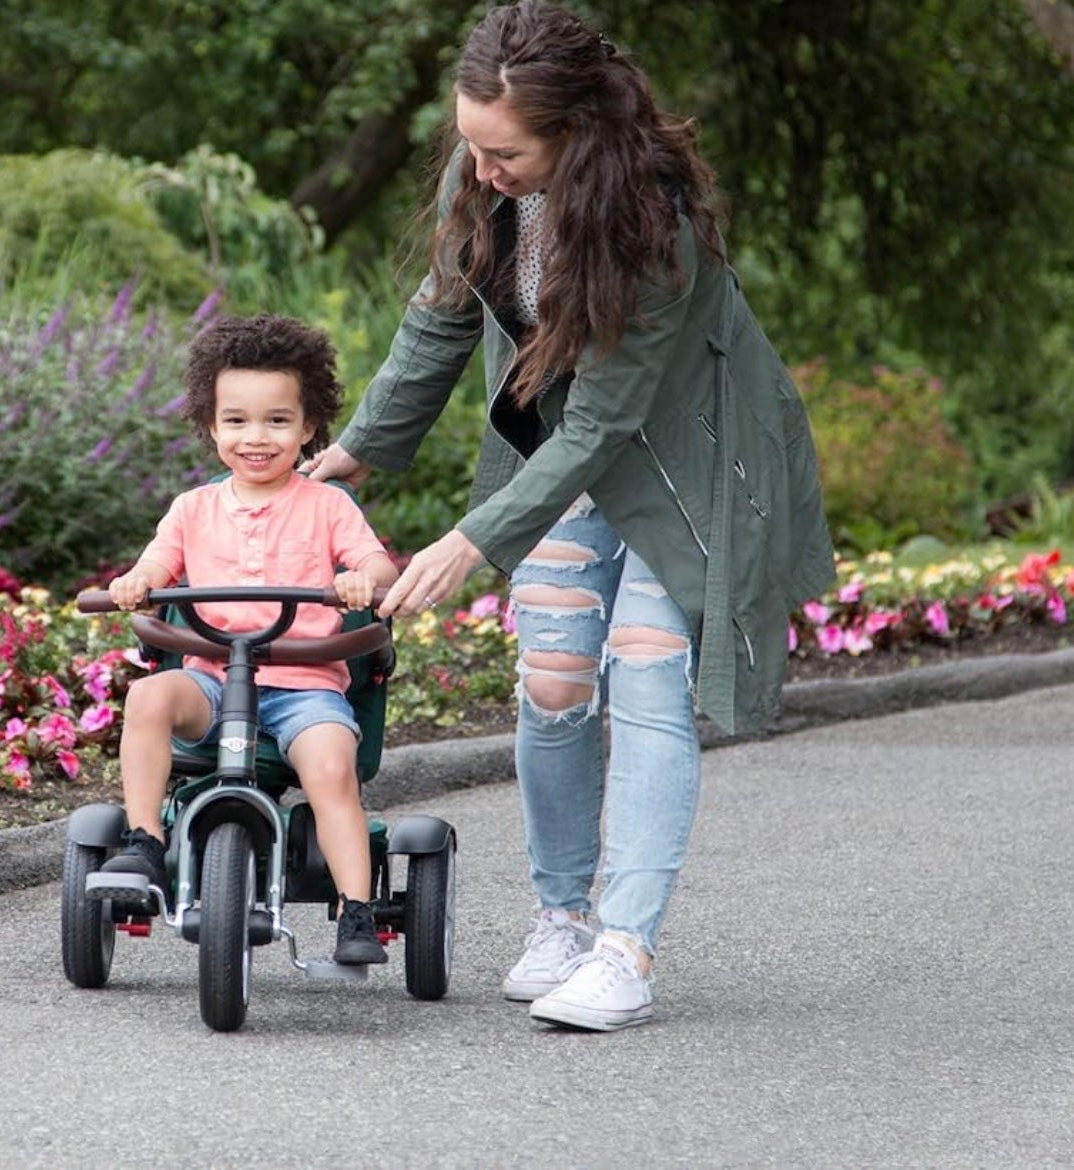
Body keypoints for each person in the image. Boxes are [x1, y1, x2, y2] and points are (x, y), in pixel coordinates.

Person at [307, 0, 835, 1028]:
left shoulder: (652, 230)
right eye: (469, 144)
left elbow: (599, 427)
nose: (482, 168)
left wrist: (473, 538)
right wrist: (354, 455)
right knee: (552, 682)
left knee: (642, 671)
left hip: (687, 462)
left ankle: (626, 951)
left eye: (502, 150)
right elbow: (436, 325)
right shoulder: (489, 186)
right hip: (563, 457)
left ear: (572, 135)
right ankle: (559, 918)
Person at [101, 313, 403, 965]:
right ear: (210, 426)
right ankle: (145, 842)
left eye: (276, 421)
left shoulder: (328, 506)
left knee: (331, 768)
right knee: (150, 698)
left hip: (304, 687)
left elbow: (376, 565)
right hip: (212, 680)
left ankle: (356, 911)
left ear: (308, 427)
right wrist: (138, 580)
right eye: (236, 421)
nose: (255, 438)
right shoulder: (193, 509)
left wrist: (360, 579)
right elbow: (158, 564)